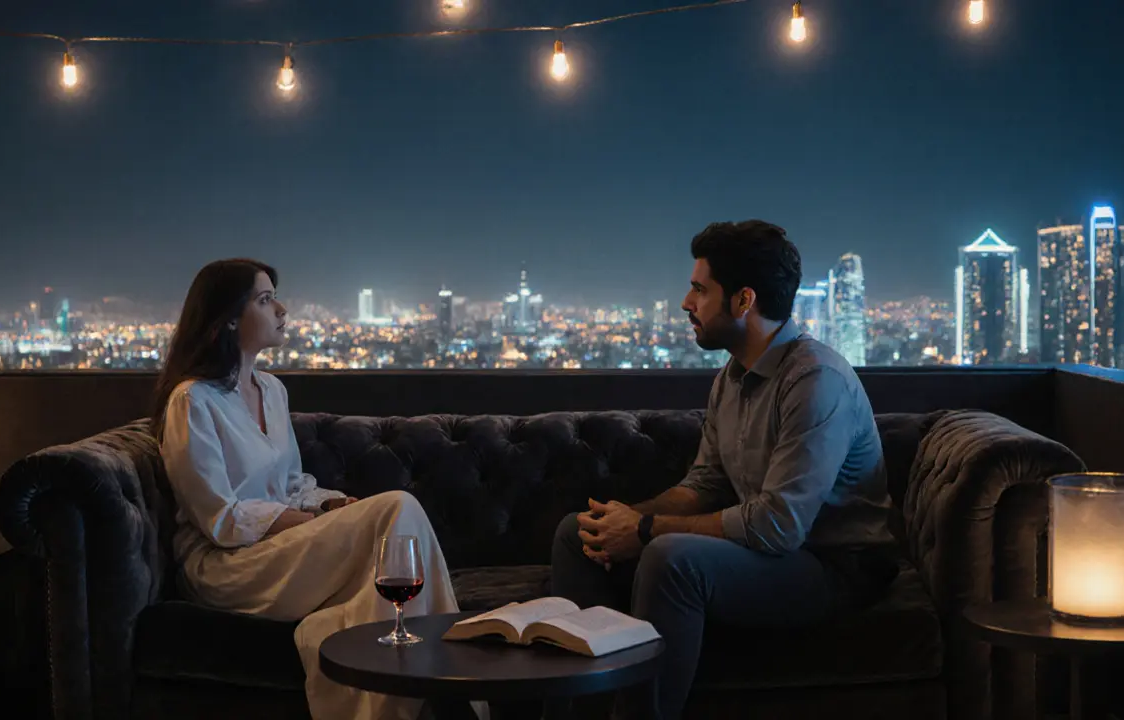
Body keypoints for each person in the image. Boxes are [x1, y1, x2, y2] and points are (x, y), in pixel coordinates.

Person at [551, 221, 899, 720]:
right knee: (579, 532)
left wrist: (647, 530)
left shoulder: (814, 380)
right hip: (772, 551)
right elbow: (706, 484)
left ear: (743, 300)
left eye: (699, 289)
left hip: (835, 565)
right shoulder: (731, 378)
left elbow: (779, 526)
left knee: (672, 559)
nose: (686, 302)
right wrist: (625, 520)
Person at [153, 258, 465, 720]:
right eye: (265, 300)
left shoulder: (272, 391)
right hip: (227, 565)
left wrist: (332, 504)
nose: (282, 310)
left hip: (280, 550)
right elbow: (220, 518)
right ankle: (448, 692)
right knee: (396, 508)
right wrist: (319, 522)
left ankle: (412, 693)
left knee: (392, 516)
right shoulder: (192, 401)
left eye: (276, 297)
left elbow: (291, 485)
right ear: (230, 318)